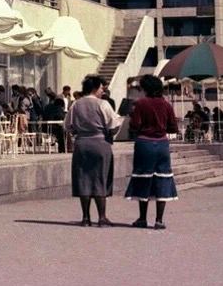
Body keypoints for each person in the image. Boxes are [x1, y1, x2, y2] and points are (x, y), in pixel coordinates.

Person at [64, 74, 121, 227]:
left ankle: (85, 218)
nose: (103, 91)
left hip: (82, 144)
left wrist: (79, 132)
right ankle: (102, 217)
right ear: (96, 88)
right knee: (100, 178)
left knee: (83, 179)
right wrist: (110, 133)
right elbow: (114, 125)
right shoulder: (103, 104)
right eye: (102, 88)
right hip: (100, 143)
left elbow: (67, 125)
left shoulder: (75, 105)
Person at [125, 74, 179, 230]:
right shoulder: (166, 105)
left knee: (144, 178)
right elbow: (173, 128)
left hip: (144, 144)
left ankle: (142, 218)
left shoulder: (141, 104)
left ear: (146, 88)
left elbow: (135, 126)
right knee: (162, 178)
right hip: (162, 144)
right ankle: (159, 220)